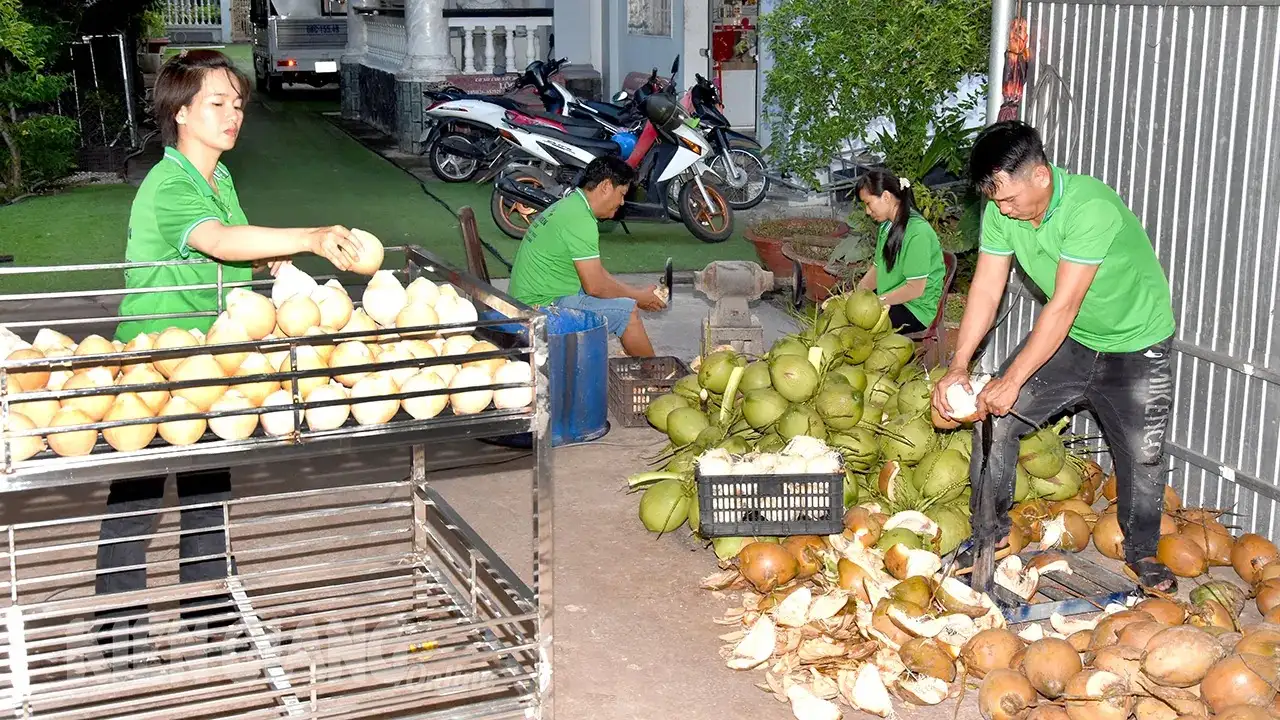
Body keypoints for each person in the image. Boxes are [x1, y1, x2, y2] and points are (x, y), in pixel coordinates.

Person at [96, 49, 363, 663]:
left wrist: (274, 261)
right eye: (218, 103)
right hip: (157, 357)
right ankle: (118, 628)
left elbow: (234, 249)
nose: (233, 114)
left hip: (212, 353)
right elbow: (215, 239)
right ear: (181, 113)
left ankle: (208, 609)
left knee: (209, 485)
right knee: (138, 490)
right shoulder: (169, 183)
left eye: (238, 104)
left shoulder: (219, 178)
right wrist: (309, 237)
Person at [933, 121, 1177, 591]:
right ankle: (989, 536)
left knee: (1142, 456)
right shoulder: (1003, 211)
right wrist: (959, 364)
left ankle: (1143, 552)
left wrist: (1015, 376)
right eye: (994, 201)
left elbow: (1063, 304)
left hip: (1136, 345)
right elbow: (986, 287)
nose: (1002, 210)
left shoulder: (1091, 207)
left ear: (1040, 176)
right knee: (997, 421)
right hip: (1073, 341)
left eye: (1008, 198)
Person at [508, 156, 666, 356]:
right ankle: (657, 379)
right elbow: (596, 287)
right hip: (537, 312)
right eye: (622, 194)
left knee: (618, 301)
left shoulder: (571, 205)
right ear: (606, 186)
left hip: (529, 302)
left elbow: (595, 273)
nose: (622, 202)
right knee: (627, 313)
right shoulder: (581, 219)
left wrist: (635, 292)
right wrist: (638, 298)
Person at [854, 169, 946, 333]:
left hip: (915, 309)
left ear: (886, 197)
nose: (867, 211)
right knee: (844, 310)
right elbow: (877, 269)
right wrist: (855, 295)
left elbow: (914, 289)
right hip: (891, 298)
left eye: (868, 203)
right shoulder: (886, 226)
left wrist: (875, 303)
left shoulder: (918, 232)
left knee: (859, 326)